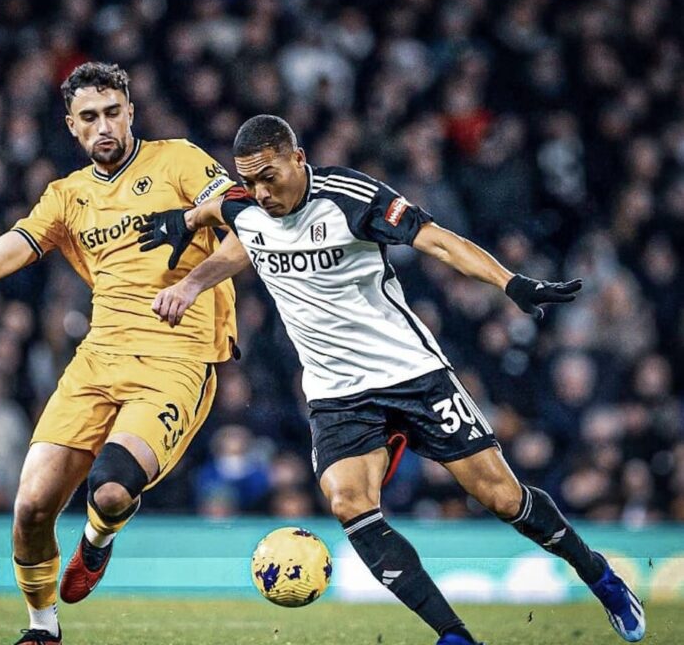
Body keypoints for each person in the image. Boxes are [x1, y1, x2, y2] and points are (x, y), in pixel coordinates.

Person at [138, 115, 645, 645]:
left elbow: (439, 242)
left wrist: (510, 282)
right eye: (251, 180)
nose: (262, 192)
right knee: (348, 504)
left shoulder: (350, 198)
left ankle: (600, 578)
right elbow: (238, 227)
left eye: (270, 177)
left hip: (412, 375)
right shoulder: (247, 204)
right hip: (336, 394)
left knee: (502, 497)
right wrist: (191, 261)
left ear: (298, 158)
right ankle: (453, 636)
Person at [0, 61, 242, 645]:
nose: (102, 126)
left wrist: (192, 283)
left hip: (178, 360)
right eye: (88, 118)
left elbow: (249, 229)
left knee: (110, 488)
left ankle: (97, 543)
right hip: (97, 361)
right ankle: (42, 629)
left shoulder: (179, 160)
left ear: (131, 112)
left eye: (111, 112)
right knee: (29, 509)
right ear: (72, 127)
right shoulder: (66, 196)